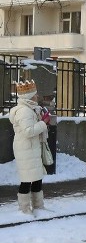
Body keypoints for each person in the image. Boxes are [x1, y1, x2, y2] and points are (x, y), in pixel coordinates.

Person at [9, 80, 50, 214]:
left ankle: (38, 207)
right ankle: (24, 210)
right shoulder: (24, 111)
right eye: (35, 94)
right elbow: (28, 131)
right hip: (26, 149)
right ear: (29, 97)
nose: (37, 97)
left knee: (37, 178)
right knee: (27, 180)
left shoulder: (31, 109)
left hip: (32, 148)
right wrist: (43, 123)